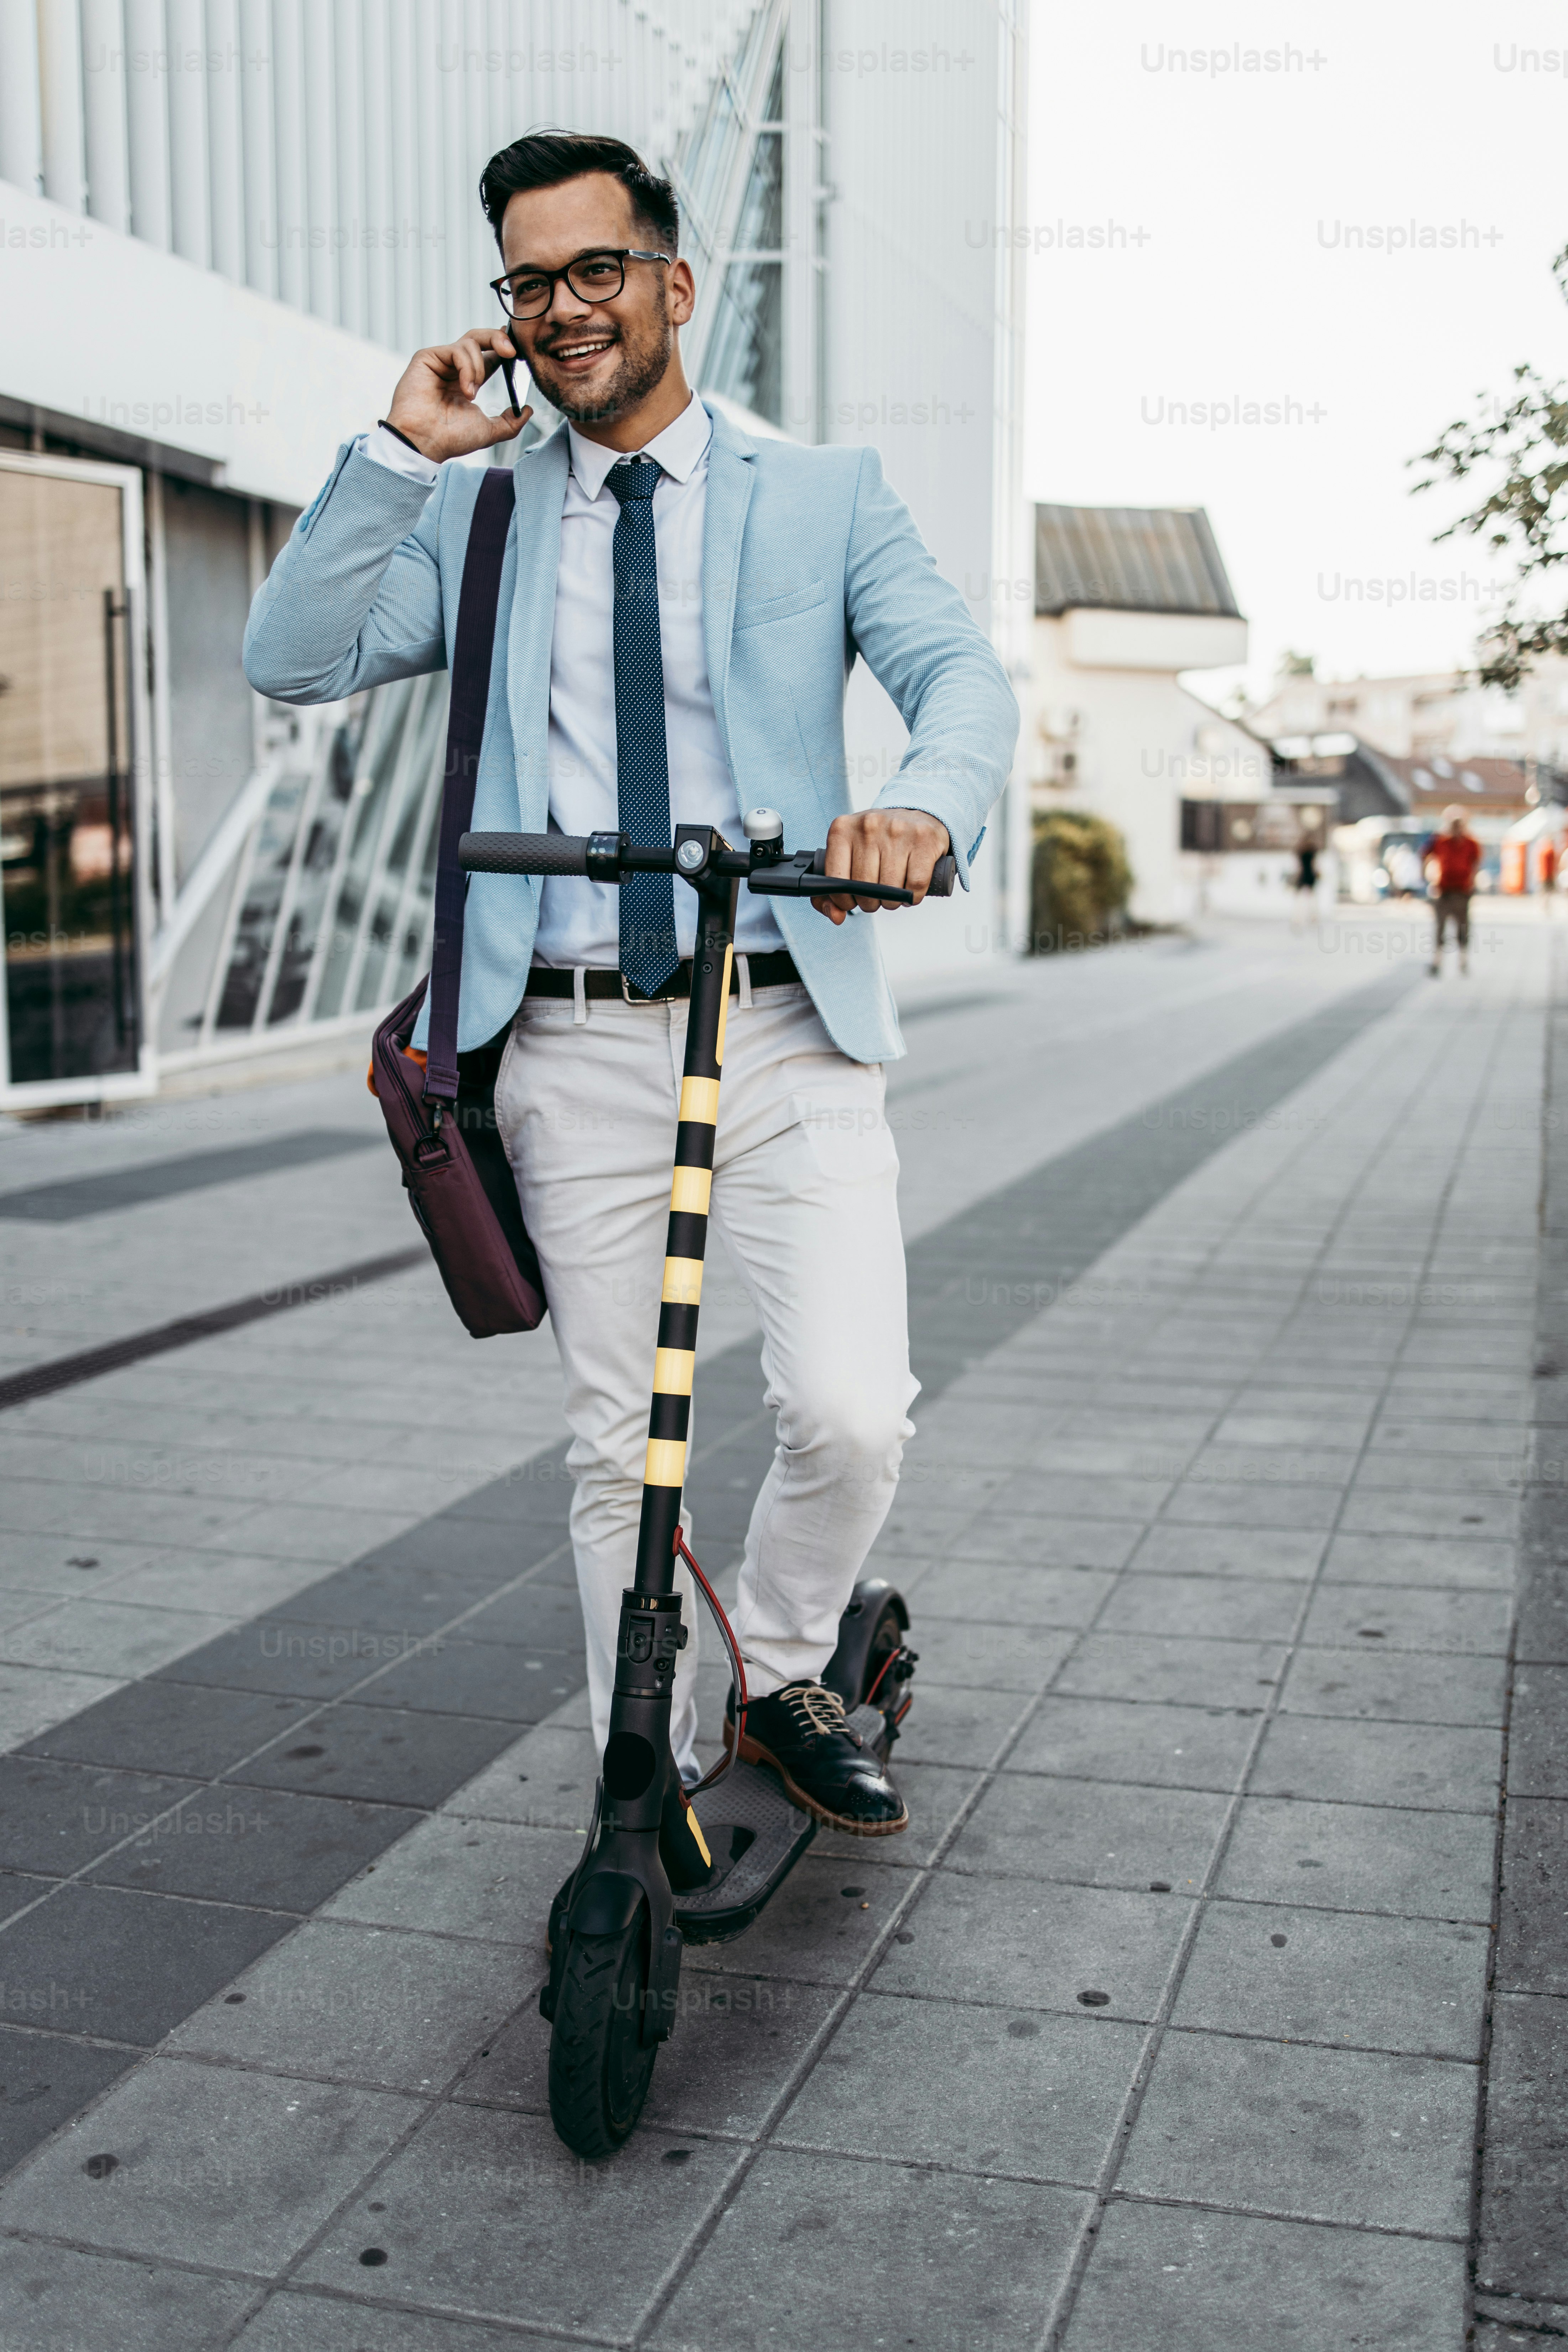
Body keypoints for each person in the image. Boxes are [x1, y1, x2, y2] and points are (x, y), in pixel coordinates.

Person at [243, 132, 1018, 1843]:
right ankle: (638, 1777)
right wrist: (399, 451)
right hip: (570, 1032)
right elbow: (290, 658)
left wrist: (920, 807)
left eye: (595, 269)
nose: (563, 307)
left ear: (672, 282)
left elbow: (958, 677)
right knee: (618, 1444)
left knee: (847, 1412)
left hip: (784, 1014)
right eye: (528, 281)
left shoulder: (822, 493)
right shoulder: (481, 511)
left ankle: (782, 1665)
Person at [1423, 806, 1481, 976]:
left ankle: (1463, 962)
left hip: (1462, 892)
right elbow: (1425, 855)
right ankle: (1437, 962)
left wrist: (1473, 881)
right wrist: (1428, 877)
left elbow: (1476, 863)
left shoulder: (1471, 843)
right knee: (1440, 928)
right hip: (1443, 892)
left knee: (1463, 929)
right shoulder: (1440, 841)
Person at [1289, 831, 1319, 931]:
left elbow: (1298, 866)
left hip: (1303, 875)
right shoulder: (1312, 850)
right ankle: (1312, 917)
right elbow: (1314, 864)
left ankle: (1299, 918)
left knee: (1301, 898)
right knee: (1311, 897)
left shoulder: (1300, 850)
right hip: (1309, 875)